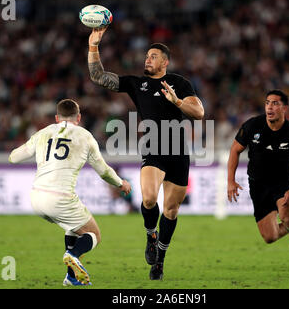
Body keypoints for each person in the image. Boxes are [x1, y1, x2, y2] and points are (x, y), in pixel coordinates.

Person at [87, 27, 204, 280]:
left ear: (165, 62)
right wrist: (93, 45)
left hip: (178, 152)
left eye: (153, 56)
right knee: (149, 199)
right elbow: (98, 76)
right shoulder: (136, 83)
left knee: (171, 210)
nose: (147, 59)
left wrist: (178, 102)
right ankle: (151, 234)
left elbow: (199, 113)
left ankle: (159, 260)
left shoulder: (179, 83)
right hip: (153, 148)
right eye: (147, 56)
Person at [9, 98, 131, 286]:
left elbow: (14, 157)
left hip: (36, 197)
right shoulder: (85, 136)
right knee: (94, 235)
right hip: (60, 199)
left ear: (57, 118)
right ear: (79, 117)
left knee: (72, 227)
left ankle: (71, 277)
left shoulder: (43, 133)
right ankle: (72, 254)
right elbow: (104, 171)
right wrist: (120, 183)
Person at [227, 90, 289, 274]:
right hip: (258, 185)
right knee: (270, 237)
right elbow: (234, 150)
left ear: (284, 108)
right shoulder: (252, 126)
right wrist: (230, 181)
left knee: (288, 219)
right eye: (267, 103)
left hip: (283, 185)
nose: (270, 107)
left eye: (275, 103)